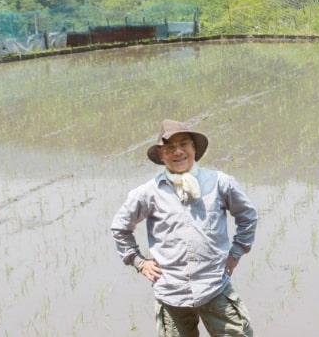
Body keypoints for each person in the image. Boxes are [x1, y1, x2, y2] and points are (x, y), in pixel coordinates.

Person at [111, 119, 260, 337]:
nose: (178, 152)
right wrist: (139, 262)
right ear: (161, 155)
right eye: (170, 147)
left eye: (184, 144)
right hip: (171, 294)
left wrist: (237, 251)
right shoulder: (148, 193)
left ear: (194, 149)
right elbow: (120, 228)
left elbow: (248, 216)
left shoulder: (219, 183)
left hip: (214, 287)